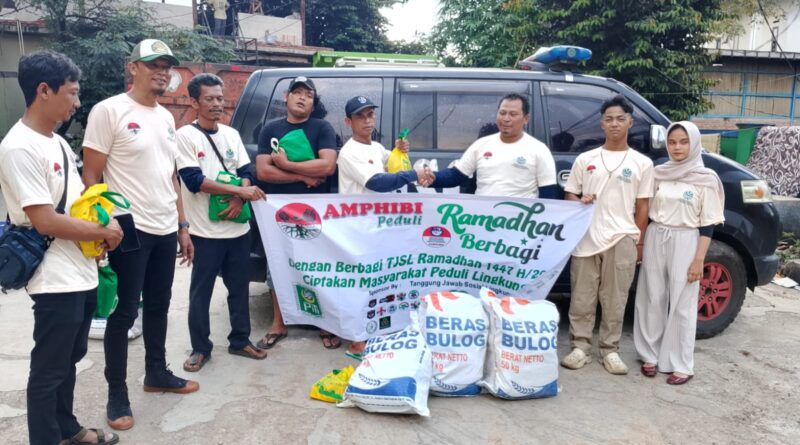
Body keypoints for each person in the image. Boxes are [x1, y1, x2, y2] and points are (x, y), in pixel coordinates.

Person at [0, 50, 123, 445]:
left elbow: (71, 203)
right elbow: (45, 220)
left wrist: (102, 223)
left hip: (79, 269)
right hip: (54, 277)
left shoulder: (54, 140)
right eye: (71, 93)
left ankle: (67, 428)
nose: (77, 102)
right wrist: (100, 233)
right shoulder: (19, 147)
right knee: (49, 369)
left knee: (69, 360)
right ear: (43, 91)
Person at [82, 39, 198, 431]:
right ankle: (117, 393)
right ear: (133, 67)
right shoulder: (109, 110)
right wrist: (99, 226)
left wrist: (183, 226)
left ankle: (156, 374)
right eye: (153, 65)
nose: (162, 72)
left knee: (161, 304)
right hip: (128, 226)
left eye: (166, 66)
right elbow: (91, 175)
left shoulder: (166, 118)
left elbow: (172, 176)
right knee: (126, 310)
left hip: (166, 224)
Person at [176, 73, 269, 372]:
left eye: (220, 98)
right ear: (194, 102)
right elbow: (193, 180)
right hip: (204, 231)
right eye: (210, 99)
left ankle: (240, 340)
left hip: (237, 229)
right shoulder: (184, 137)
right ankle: (200, 348)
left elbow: (247, 170)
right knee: (200, 293)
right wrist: (238, 191)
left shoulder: (230, 134)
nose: (217, 104)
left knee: (239, 288)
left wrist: (239, 198)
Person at [561, 95, 654, 375]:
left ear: (630, 122)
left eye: (620, 119)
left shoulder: (642, 163)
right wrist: (580, 200)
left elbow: (643, 205)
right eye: (609, 119)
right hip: (586, 238)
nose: (615, 124)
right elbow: (570, 194)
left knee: (615, 298)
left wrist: (637, 240)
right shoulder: (585, 159)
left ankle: (610, 350)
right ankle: (580, 347)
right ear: (602, 124)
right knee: (582, 296)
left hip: (622, 237)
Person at [336, 95, 433, 359]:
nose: (367, 120)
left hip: (379, 227)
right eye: (360, 116)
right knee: (359, 286)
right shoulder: (348, 153)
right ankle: (357, 342)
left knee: (377, 284)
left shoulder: (376, 148)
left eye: (370, 115)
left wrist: (401, 150)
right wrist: (414, 174)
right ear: (348, 121)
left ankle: (372, 333)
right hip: (358, 229)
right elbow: (377, 182)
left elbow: (394, 165)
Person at [634, 121, 724, 385]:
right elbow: (643, 208)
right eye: (672, 142)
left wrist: (699, 260)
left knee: (683, 302)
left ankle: (681, 363)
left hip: (686, 238)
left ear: (694, 143)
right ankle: (649, 354)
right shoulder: (658, 173)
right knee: (652, 295)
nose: (677, 147)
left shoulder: (706, 179)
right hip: (656, 235)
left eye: (683, 142)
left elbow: (708, 224)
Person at [255, 76, 339, 350]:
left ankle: (324, 324)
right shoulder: (270, 129)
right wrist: (304, 175)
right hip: (277, 209)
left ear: (314, 103)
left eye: (309, 95)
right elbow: (264, 171)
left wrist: (287, 164)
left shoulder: (322, 128)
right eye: (297, 92)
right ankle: (278, 323)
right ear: (286, 97)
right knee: (277, 266)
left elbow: (327, 166)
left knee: (318, 267)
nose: (302, 98)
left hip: (316, 209)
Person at [429, 93, 558, 199]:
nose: (506, 119)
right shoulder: (481, 145)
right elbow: (455, 176)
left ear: (525, 119)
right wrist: (429, 177)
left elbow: (548, 195)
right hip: (483, 221)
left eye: (513, 114)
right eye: (502, 113)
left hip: (519, 224)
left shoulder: (539, 150)